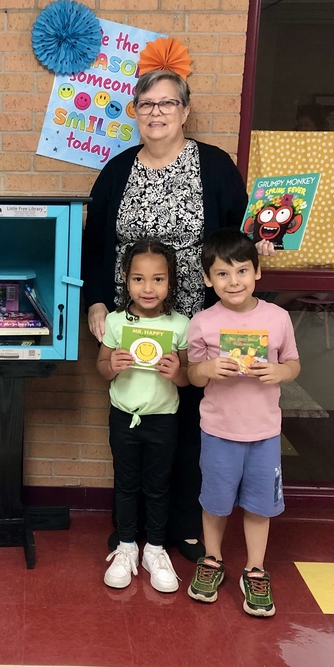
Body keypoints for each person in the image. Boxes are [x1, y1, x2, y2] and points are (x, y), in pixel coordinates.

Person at [82, 66, 250, 562]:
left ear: (185, 111)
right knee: (136, 422)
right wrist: (96, 301)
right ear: (135, 112)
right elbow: (95, 245)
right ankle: (130, 529)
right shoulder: (117, 170)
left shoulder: (214, 166)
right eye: (147, 104)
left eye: (167, 103)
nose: (156, 113)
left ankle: (182, 527)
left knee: (191, 428)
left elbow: (235, 239)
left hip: (196, 323)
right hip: (130, 320)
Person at [186, 229, 300, 618]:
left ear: (257, 273)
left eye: (241, 271)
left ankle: (255, 568)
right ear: (207, 279)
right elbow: (192, 375)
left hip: (265, 433)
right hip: (219, 431)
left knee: (260, 506)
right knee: (215, 502)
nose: (233, 281)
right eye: (221, 274)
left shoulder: (279, 317)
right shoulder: (202, 322)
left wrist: (280, 373)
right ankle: (212, 559)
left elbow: (294, 364)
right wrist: (207, 368)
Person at [97, 239, 189, 594]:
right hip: (123, 417)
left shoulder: (181, 324)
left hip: (163, 418)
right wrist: (112, 365)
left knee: (158, 485)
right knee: (125, 482)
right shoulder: (117, 321)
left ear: (171, 282)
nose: (148, 288)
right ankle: (125, 547)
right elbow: (102, 367)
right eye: (138, 279)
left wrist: (176, 372)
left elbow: (186, 378)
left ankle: (155, 549)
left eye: (158, 279)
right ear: (125, 279)